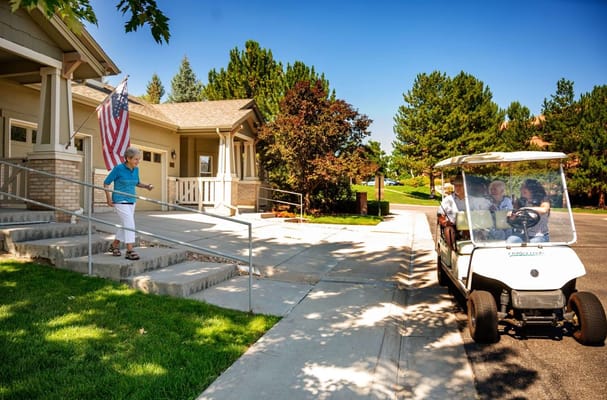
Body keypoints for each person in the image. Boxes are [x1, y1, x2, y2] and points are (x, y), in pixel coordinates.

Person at [104, 147, 154, 260]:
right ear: (128, 158)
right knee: (130, 223)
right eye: (136, 159)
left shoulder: (136, 169)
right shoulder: (118, 169)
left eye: (139, 159)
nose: (138, 161)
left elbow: (137, 183)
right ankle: (129, 250)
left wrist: (146, 186)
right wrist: (108, 199)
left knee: (125, 224)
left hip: (132, 200)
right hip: (120, 199)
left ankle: (114, 246)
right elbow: (106, 183)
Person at [507, 178, 550, 243]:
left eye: (524, 187)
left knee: (534, 243)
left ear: (532, 189)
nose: (521, 189)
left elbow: (544, 210)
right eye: (521, 187)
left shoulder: (543, 200)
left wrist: (525, 209)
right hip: (521, 233)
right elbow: (514, 217)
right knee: (511, 240)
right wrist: (512, 216)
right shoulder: (520, 201)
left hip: (540, 235)